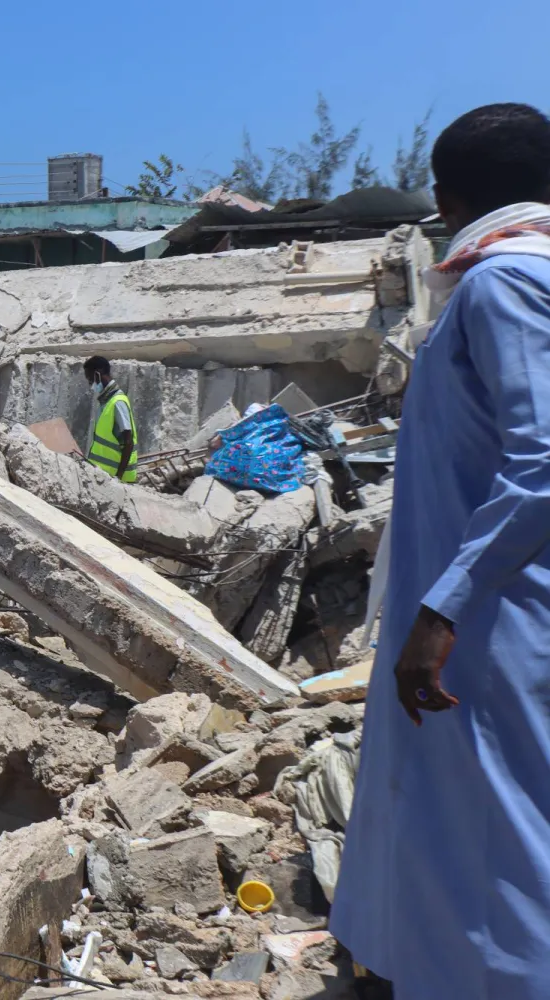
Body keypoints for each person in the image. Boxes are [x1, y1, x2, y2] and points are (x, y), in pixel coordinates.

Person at [331, 103, 550, 999]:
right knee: (458, 822)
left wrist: (442, 607)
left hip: (486, 626)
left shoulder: (508, 285)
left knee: (499, 840)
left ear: (447, 199)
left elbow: (541, 461)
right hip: (482, 612)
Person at [82, 356, 138, 482]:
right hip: (103, 475)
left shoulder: (117, 402)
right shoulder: (106, 401)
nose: (91, 384)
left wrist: (118, 477)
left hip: (115, 479)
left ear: (98, 374)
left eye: (91, 380)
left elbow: (128, 442)